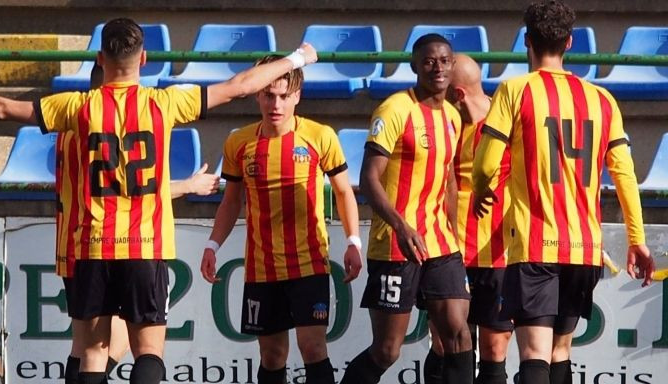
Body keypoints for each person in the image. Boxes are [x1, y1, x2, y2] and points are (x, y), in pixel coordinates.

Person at [0, 17, 318, 384]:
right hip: (145, 246)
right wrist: (298, 57)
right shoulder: (164, 103)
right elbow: (240, 86)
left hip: (92, 247)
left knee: (93, 351)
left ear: (99, 57)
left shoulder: (77, 106)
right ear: (144, 59)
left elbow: (5, 109)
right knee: (149, 351)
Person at [471, 2, 655, 384]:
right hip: (583, 247)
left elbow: (487, 164)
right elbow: (624, 173)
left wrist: (481, 190)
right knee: (560, 352)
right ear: (569, 42)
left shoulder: (514, 90)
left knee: (534, 354)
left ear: (527, 41)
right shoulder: (603, 100)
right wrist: (637, 239)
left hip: (535, 244)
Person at [199, 54, 362, 384]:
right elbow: (232, 200)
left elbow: (345, 192)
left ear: (297, 97)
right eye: (269, 95)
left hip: (309, 263)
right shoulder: (239, 142)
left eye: (284, 96)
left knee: (313, 348)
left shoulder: (320, 136)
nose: (276, 103)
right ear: (258, 94)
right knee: (272, 356)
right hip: (262, 267)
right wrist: (213, 245)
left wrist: (353, 241)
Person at [60, 64, 221, 383]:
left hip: (74, 247)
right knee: (143, 349)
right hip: (122, 240)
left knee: (86, 351)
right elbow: (126, 190)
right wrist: (188, 186)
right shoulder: (97, 127)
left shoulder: (69, 128)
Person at [340, 34, 473, 384]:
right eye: (429, 61)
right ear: (415, 65)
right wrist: (401, 226)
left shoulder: (453, 117)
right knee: (387, 350)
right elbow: (369, 179)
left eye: (445, 61)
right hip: (396, 244)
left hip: (441, 244)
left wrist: (455, 234)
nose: (438, 68)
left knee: (458, 338)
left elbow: (448, 180)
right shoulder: (395, 109)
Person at [445, 53, 513, 384]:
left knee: (494, 349)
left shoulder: (509, 126)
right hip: (451, 254)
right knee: (448, 346)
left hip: (499, 252)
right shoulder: (448, 127)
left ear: (457, 93)